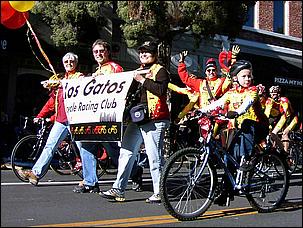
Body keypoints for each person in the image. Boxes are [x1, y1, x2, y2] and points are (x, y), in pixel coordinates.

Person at [100, 40, 170, 203]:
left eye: (147, 51)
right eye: (141, 52)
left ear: (155, 54)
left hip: (154, 118)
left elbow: (161, 90)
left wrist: (142, 79)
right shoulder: (137, 71)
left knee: (154, 156)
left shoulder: (160, 71)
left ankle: (159, 191)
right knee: (126, 153)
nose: (143, 54)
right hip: (137, 117)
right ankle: (118, 188)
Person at [198, 60, 269, 205]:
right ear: (235, 78)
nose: (248, 79)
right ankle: (226, 193)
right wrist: (200, 111)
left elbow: (247, 103)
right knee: (228, 159)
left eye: (249, 76)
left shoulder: (253, 91)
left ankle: (247, 159)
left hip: (257, 127)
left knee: (247, 123)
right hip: (238, 131)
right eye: (244, 76)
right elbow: (217, 104)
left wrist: (236, 112)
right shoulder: (231, 92)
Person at [18, 52, 84, 185]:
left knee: (85, 150)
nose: (69, 63)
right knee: (50, 146)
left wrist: (60, 83)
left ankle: (89, 179)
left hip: (76, 119)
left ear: (76, 63)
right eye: (66, 62)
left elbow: (78, 85)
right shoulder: (59, 81)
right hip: (61, 120)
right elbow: (51, 103)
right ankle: (36, 174)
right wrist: (40, 116)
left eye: (72, 61)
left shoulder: (79, 77)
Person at [72, 39, 123, 193]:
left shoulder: (115, 68)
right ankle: (90, 182)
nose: (99, 54)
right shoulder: (96, 71)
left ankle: (135, 172)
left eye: (101, 51)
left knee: (113, 151)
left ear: (107, 52)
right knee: (86, 145)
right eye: (96, 52)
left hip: (107, 119)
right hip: (93, 118)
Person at [178, 51, 232, 137]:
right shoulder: (200, 83)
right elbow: (185, 79)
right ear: (206, 72)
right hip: (203, 116)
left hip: (217, 117)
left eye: (213, 70)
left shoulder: (221, 81)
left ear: (216, 71)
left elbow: (227, 84)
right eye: (208, 70)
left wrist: (230, 64)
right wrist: (181, 63)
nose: (211, 72)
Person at [264, 85, 299, 152]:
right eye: (272, 93)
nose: (273, 95)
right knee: (272, 134)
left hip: (292, 118)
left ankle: (285, 153)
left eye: (275, 93)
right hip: (282, 118)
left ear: (279, 94)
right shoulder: (271, 101)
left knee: (284, 133)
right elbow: (267, 113)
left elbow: (285, 113)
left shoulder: (284, 100)